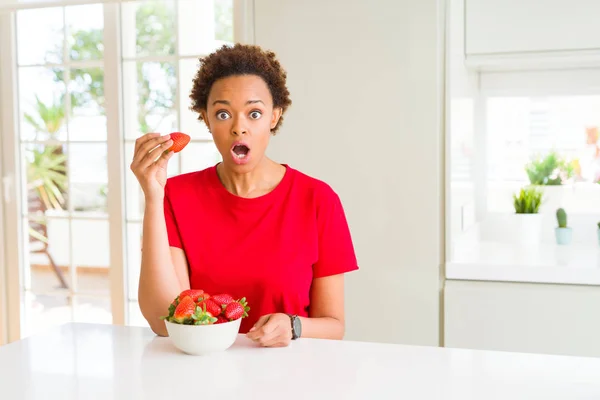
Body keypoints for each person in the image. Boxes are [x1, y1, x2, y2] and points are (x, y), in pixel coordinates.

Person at [131, 44, 359, 348]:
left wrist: (293, 326)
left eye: (254, 113)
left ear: (274, 117)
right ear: (207, 119)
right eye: (223, 114)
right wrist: (152, 196)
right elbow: (163, 321)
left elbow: (334, 326)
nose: (239, 128)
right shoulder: (174, 195)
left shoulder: (318, 199)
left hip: (290, 375)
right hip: (204, 375)